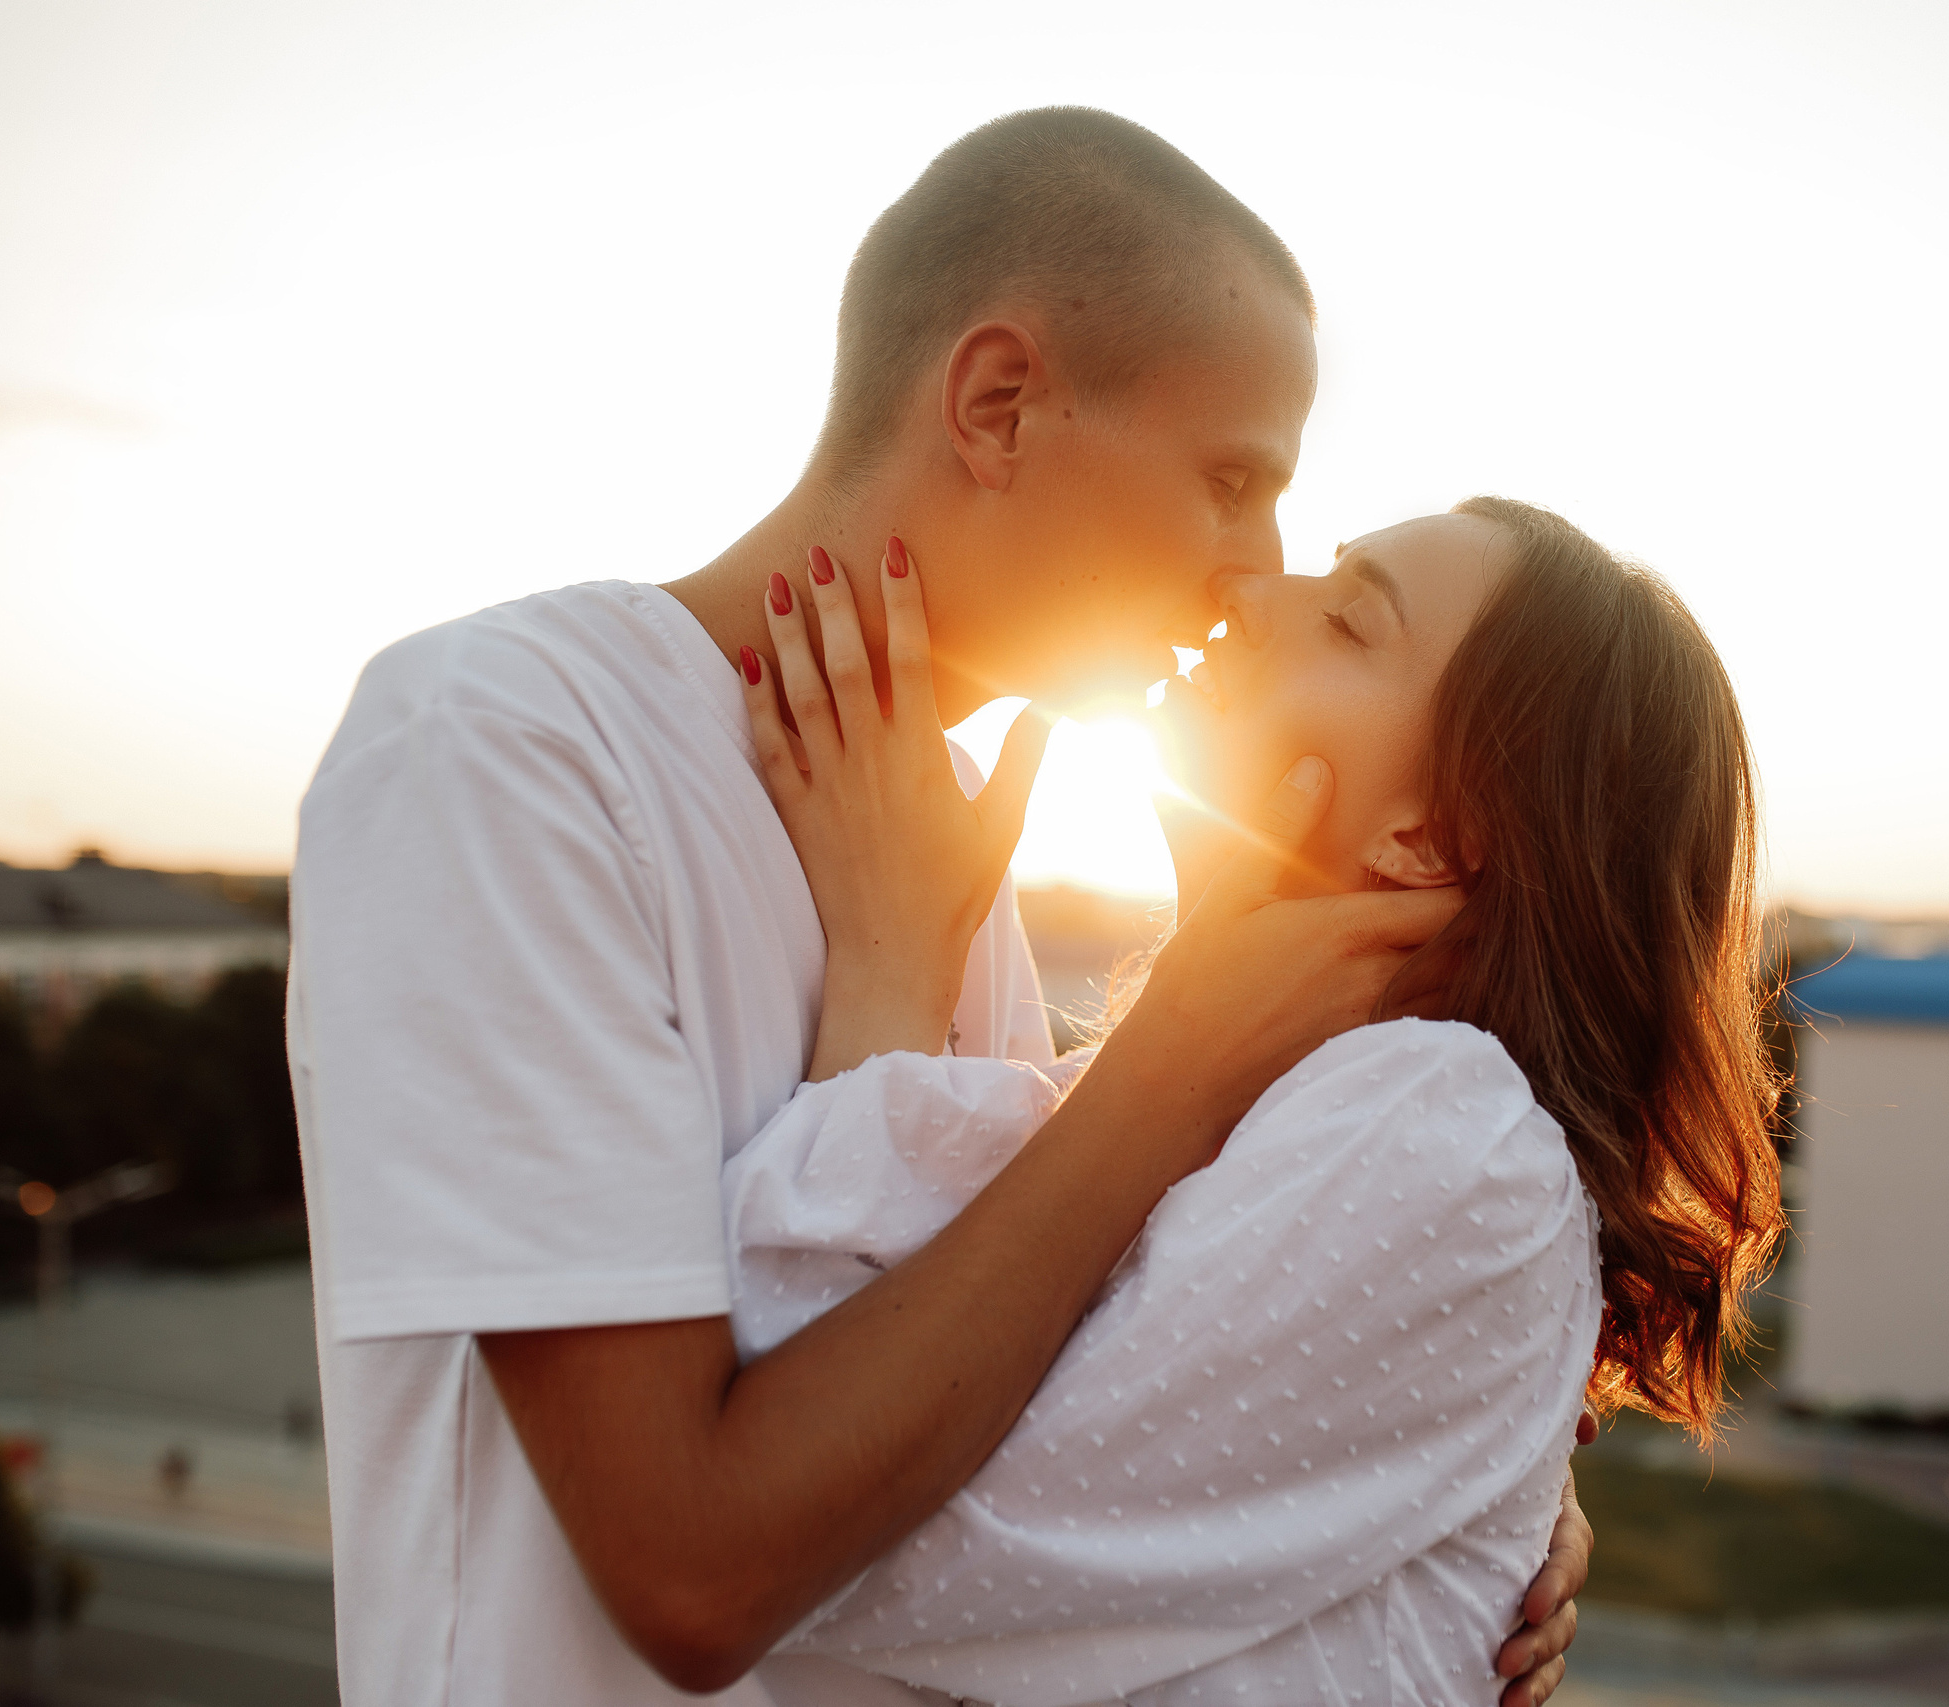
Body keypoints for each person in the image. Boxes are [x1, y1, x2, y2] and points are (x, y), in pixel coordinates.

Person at [288, 109, 1590, 1706]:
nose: (1252, 570)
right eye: (1232, 478)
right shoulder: (506, 747)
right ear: (998, 404)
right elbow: (694, 1574)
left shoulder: (936, 872)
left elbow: (1034, 1399)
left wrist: (1463, 1478)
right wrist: (1167, 1060)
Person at [716, 499, 1789, 1702]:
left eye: (1346, 621)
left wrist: (890, 963)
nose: (1247, 591)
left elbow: (826, 1542)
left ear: (1433, 838)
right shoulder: (1233, 1109)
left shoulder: (1448, 1128)